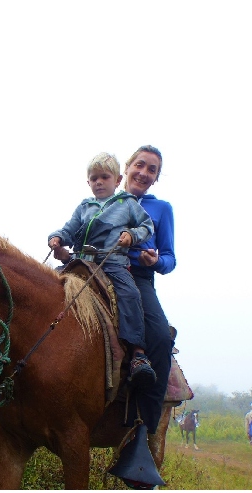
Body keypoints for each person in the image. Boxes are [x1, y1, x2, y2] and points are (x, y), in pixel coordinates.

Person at [48, 152, 156, 383]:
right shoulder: (84, 206)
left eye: (104, 177)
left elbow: (147, 227)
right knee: (47, 283)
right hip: (80, 262)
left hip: (113, 264)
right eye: (94, 178)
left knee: (130, 294)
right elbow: (69, 230)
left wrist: (131, 235)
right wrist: (57, 238)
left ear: (117, 180)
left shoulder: (127, 203)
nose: (99, 182)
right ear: (88, 182)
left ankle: (138, 354)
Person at [121, 145, 177, 438]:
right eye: (139, 165)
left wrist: (155, 262)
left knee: (160, 338)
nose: (143, 173)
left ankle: (143, 430)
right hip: (92, 268)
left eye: (151, 170)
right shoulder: (105, 199)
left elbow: (170, 258)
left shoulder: (161, 208)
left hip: (137, 276)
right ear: (127, 167)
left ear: (156, 178)